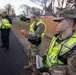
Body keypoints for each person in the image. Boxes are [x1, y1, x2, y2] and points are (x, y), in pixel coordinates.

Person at [38, 9, 76, 75]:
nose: (56, 24)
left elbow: (71, 72)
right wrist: (45, 56)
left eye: (59, 21)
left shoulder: (74, 45)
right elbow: (50, 50)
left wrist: (49, 70)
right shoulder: (56, 37)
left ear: (70, 23)